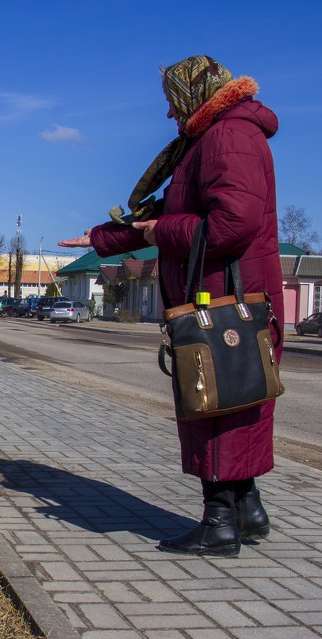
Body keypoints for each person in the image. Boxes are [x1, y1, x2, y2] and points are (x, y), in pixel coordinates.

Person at [60, 56, 283, 557]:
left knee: (217, 400)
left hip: (224, 295)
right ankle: (247, 510)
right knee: (238, 397)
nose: (167, 114)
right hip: (229, 292)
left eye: (171, 102)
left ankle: (220, 524)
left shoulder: (228, 137)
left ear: (195, 94)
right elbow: (169, 208)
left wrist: (162, 233)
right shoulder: (216, 135)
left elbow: (232, 223)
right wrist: (101, 238)